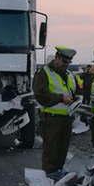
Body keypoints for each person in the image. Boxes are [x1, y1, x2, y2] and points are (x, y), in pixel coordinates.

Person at [33, 46, 78, 178]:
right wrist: (60, 98)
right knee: (51, 152)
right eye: (64, 62)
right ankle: (48, 178)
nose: (66, 65)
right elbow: (40, 95)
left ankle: (58, 176)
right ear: (57, 58)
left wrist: (76, 99)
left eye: (68, 63)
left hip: (66, 119)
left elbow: (73, 92)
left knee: (62, 151)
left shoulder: (69, 75)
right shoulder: (44, 73)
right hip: (51, 119)